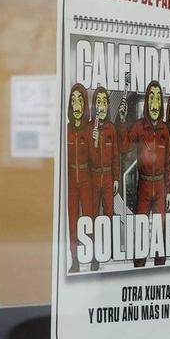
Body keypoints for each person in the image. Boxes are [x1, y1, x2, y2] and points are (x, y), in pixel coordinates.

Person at [125, 79, 170, 267]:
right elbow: (125, 145)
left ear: (160, 104)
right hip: (143, 184)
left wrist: (167, 190)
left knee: (162, 228)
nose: (154, 102)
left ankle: (160, 266)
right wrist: (122, 120)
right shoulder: (138, 126)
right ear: (147, 103)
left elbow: (169, 162)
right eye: (151, 97)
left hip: (160, 186)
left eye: (157, 98)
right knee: (141, 226)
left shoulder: (165, 129)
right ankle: (139, 265)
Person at [64, 82, 93, 274]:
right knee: (72, 220)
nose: (76, 105)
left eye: (80, 100)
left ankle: (93, 257)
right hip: (70, 181)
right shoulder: (65, 129)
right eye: (73, 100)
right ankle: (74, 259)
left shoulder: (89, 130)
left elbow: (95, 158)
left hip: (86, 179)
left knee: (89, 218)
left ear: (84, 106)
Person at [89, 85, 120, 233]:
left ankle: (109, 244)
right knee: (93, 212)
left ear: (108, 106)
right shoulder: (89, 128)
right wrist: (92, 142)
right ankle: (94, 244)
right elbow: (87, 158)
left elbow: (115, 155)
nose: (101, 107)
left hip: (108, 177)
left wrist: (116, 179)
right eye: (98, 102)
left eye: (104, 102)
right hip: (94, 177)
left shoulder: (111, 129)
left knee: (109, 211)